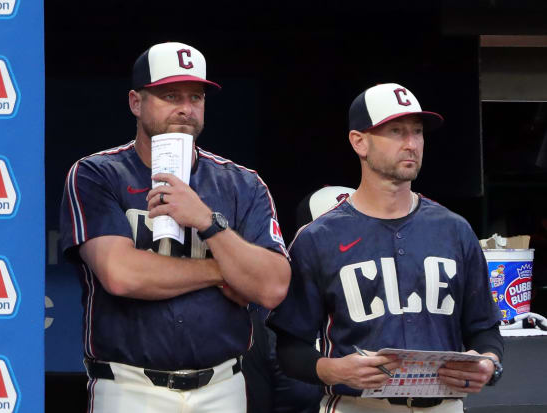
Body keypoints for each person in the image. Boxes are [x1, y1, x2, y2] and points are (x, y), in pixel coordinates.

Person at [60, 41, 291, 413]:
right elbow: (121, 275)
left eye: (195, 97)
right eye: (170, 96)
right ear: (137, 103)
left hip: (222, 385)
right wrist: (224, 271)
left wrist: (206, 222)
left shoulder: (241, 183)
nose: (185, 108)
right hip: (130, 387)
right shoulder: (97, 174)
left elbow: (273, 286)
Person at [267, 83, 504, 413]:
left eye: (417, 132)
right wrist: (330, 369)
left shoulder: (454, 229)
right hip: (357, 404)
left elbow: (484, 328)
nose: (411, 144)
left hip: (443, 404)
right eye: (396, 131)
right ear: (359, 141)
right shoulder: (319, 236)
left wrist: (489, 363)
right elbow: (290, 345)